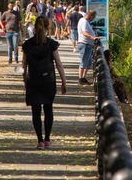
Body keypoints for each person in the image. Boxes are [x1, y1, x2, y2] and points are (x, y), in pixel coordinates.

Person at [21, 15, 67, 149]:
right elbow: (59, 64)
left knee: (36, 111)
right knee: (48, 109)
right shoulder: (51, 44)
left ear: (35, 27)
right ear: (48, 28)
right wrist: (64, 82)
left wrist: (25, 82)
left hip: (33, 81)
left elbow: (23, 66)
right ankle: (47, 139)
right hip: (48, 81)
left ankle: (39, 141)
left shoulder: (27, 44)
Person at [75, 9, 97, 85]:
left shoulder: (85, 21)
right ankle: (80, 78)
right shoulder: (84, 21)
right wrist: (93, 38)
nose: (93, 19)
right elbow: (84, 32)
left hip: (87, 44)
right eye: (93, 17)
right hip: (85, 44)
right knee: (84, 62)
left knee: (89, 63)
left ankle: (83, 77)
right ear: (91, 16)